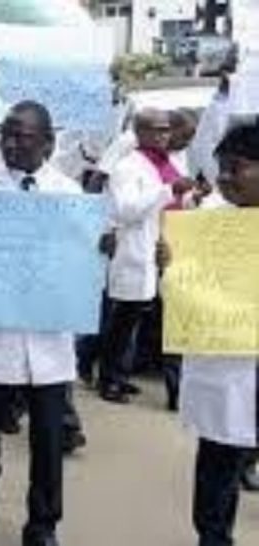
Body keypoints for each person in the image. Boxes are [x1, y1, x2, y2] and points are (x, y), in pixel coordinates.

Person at [0, 101, 91, 546]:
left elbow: (82, 263)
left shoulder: (70, 195)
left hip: (48, 339)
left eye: (24, 136)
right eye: (7, 135)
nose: (12, 144)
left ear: (49, 144)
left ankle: (43, 522)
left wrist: (100, 248)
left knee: (50, 436)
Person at [178, 122, 259, 546]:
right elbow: (180, 299)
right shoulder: (206, 221)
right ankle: (213, 539)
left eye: (237, 168)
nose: (225, 178)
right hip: (227, 367)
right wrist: (171, 269)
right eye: (221, 168)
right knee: (218, 464)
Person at [99, 109, 194, 404]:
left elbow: (178, 200)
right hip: (136, 249)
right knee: (123, 322)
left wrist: (192, 195)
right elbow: (126, 210)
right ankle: (110, 379)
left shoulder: (169, 161)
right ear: (140, 133)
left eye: (167, 130)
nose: (165, 135)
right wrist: (168, 191)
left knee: (158, 320)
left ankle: (128, 376)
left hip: (166, 249)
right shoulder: (128, 166)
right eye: (157, 130)